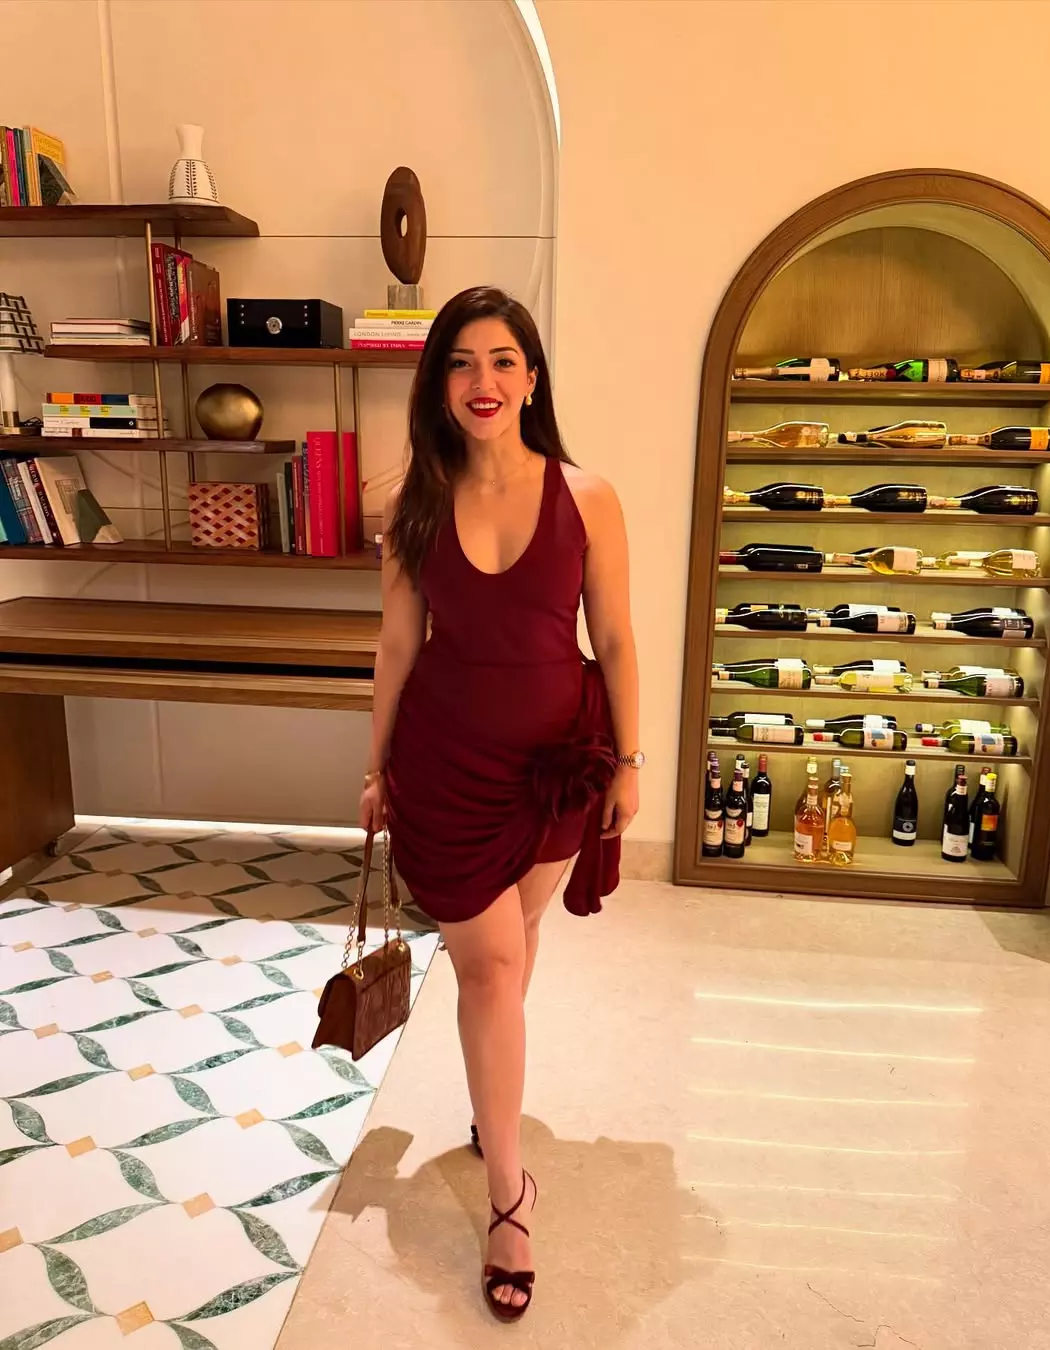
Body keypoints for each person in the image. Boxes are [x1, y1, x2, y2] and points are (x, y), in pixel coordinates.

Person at [359, 285, 641, 1321]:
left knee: (514, 949)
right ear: (439, 383)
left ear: (532, 378)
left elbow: (616, 639)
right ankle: (510, 1201)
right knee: (489, 965)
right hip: (447, 767)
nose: (483, 380)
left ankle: (495, 1107)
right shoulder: (413, 503)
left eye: (503, 360)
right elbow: (397, 644)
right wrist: (376, 768)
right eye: (461, 361)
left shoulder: (589, 497)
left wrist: (630, 761)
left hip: (557, 765)